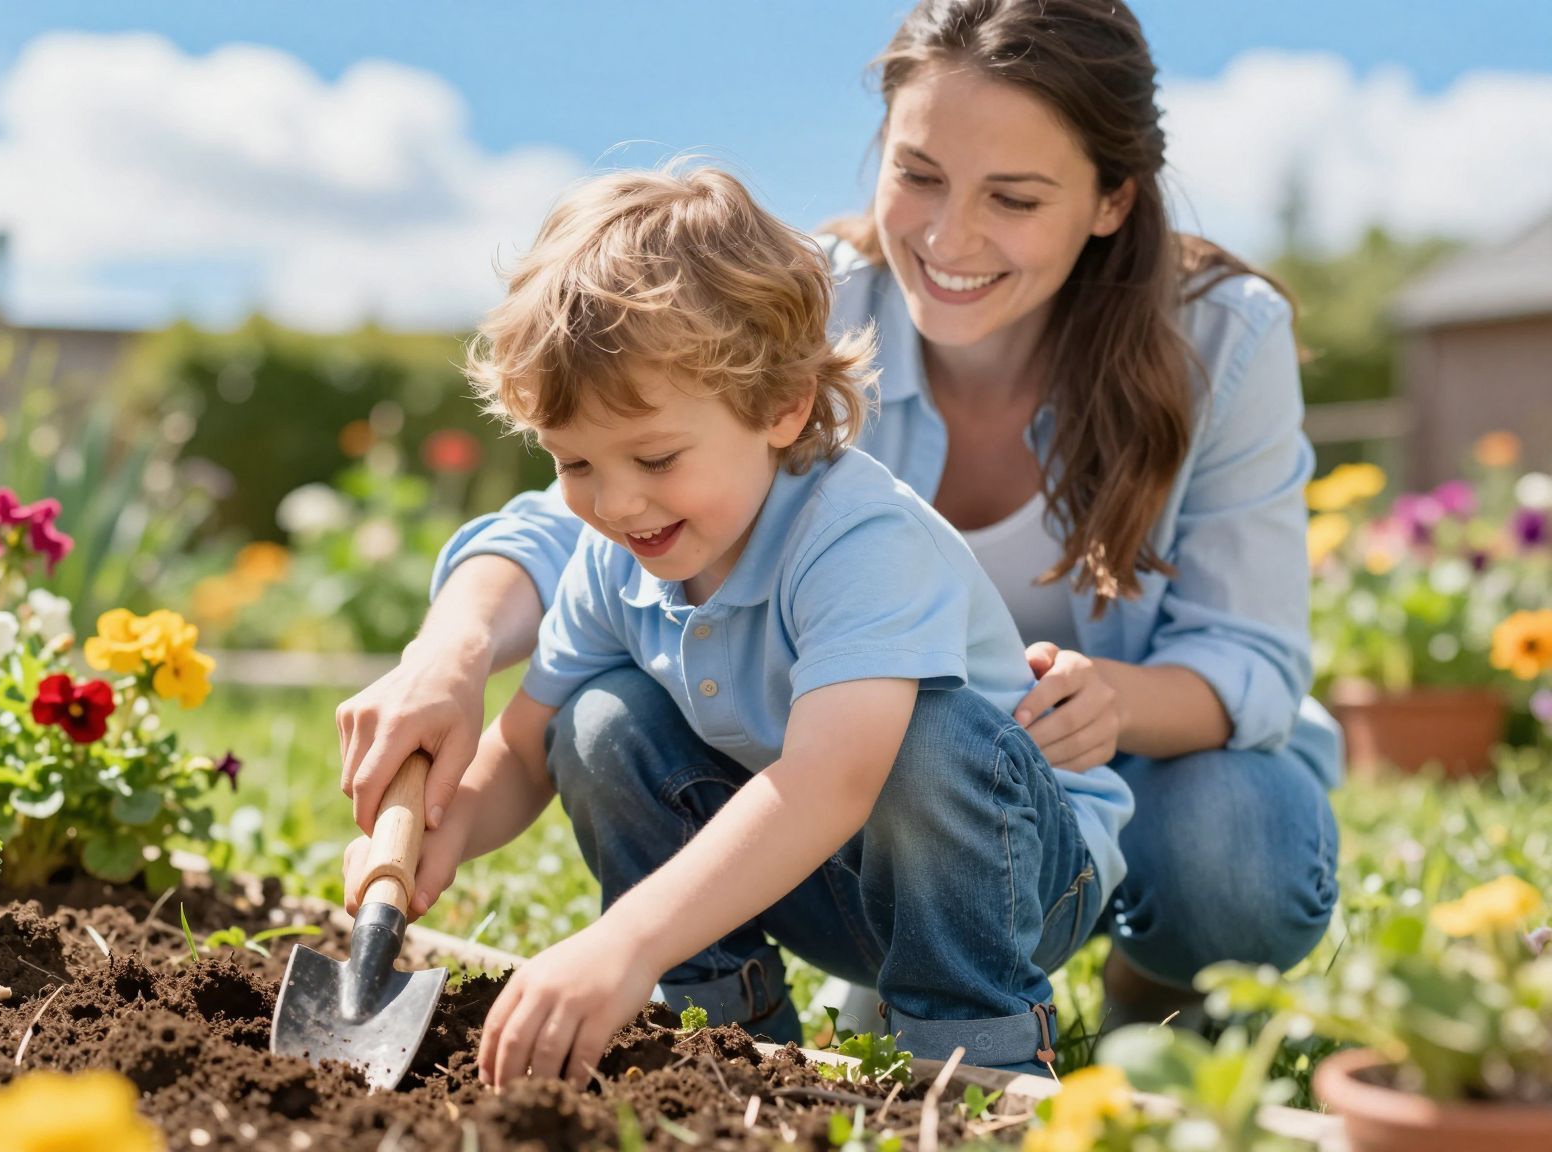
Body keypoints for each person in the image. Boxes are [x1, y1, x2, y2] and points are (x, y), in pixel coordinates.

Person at [340, 0, 1341, 1034]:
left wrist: (1110, 705)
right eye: (916, 175)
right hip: (866, 805)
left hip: (1057, 788)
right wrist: (443, 700)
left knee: (1221, 845)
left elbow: (1249, 657)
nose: (948, 237)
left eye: (1013, 196)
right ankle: (735, 1037)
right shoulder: (787, 308)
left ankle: (1116, 996)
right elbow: (575, 526)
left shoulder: (1214, 342)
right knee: (604, 719)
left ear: (1109, 200)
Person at [340, 164, 1133, 1087]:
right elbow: (522, 751)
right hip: (822, 867)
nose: (616, 500)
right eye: (575, 463)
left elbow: (829, 783)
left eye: (656, 456)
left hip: (1013, 874)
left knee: (923, 739)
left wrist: (621, 942)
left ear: (781, 406)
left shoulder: (857, 537)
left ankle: (975, 1056)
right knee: (600, 722)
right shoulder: (614, 558)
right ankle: (724, 1048)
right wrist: (439, 831)